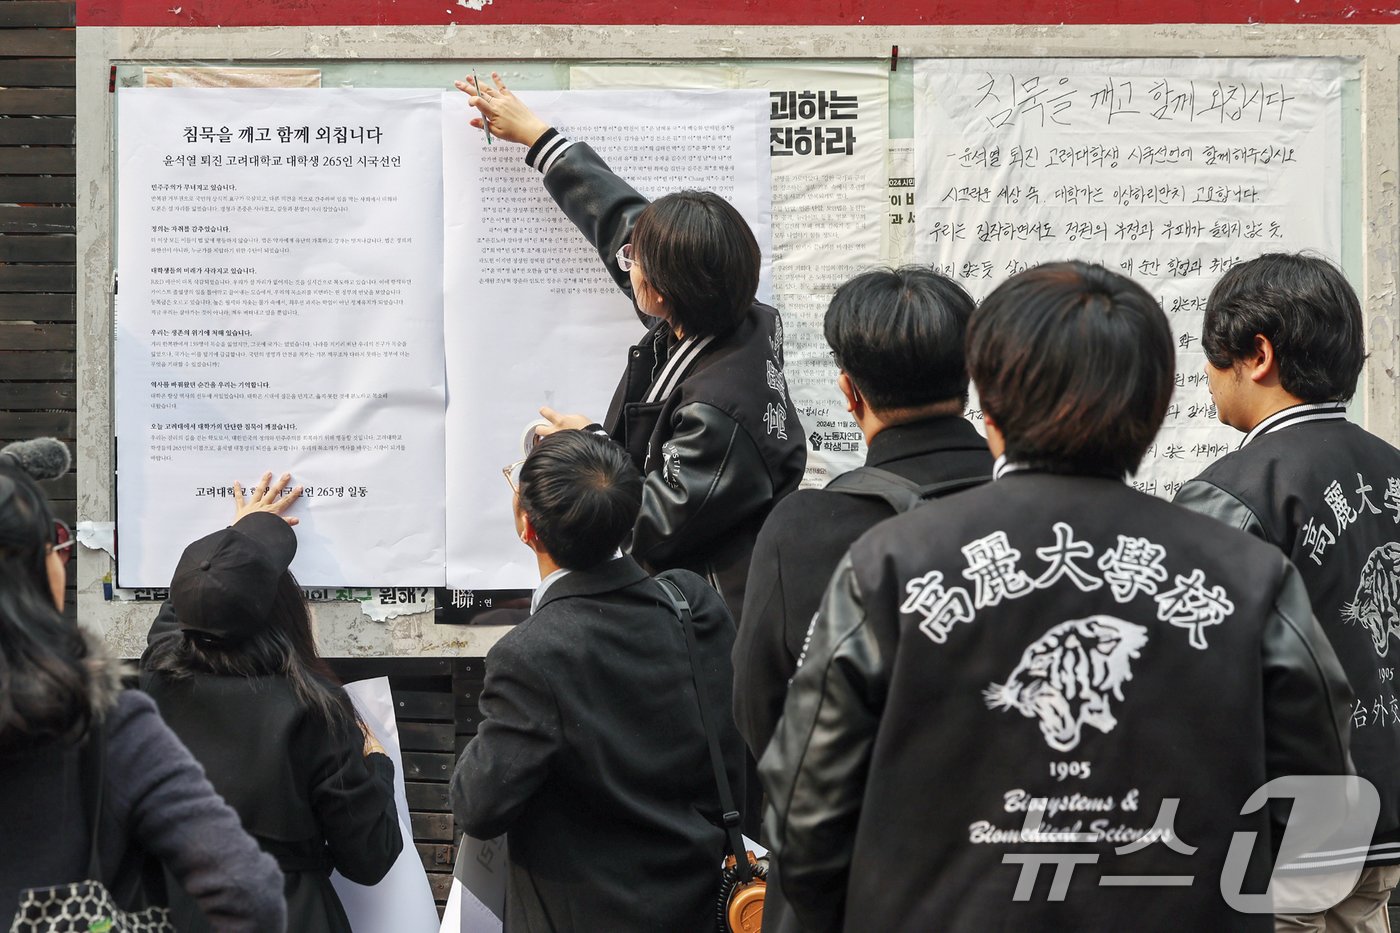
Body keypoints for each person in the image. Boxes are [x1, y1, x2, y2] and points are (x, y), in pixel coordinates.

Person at [760, 262, 1356, 933]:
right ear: (1155, 407)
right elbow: (1326, 815)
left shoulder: (890, 567)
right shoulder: (1247, 577)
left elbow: (802, 817)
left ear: (985, 403)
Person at [457, 73, 807, 625]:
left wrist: (589, 446)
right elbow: (620, 220)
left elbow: (658, 520)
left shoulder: (719, 410)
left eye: (635, 263)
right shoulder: (722, 311)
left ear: (660, 292)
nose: (627, 260)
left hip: (713, 616)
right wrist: (538, 138)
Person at [1174, 252, 1400, 932]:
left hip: (1301, 838)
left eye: (1214, 357)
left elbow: (1195, 682)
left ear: (1258, 354)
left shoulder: (1231, 494)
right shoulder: (1393, 469)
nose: (1208, 380)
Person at [450, 430, 745, 932]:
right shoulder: (688, 602)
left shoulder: (530, 655)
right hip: (703, 904)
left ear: (528, 529)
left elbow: (477, 804)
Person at [0, 439, 286, 933]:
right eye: (57, 542)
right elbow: (248, 892)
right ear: (35, 569)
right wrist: (242, 542)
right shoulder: (104, 723)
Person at [733, 265, 991, 759]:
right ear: (970, 376)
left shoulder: (801, 529)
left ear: (850, 392)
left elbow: (758, 711)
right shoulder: (1043, 506)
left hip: (873, 825)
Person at [141, 471, 402, 933]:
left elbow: (187, 608)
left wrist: (236, 539)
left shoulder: (159, 676)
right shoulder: (315, 708)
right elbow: (370, 858)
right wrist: (377, 762)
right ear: (285, 608)